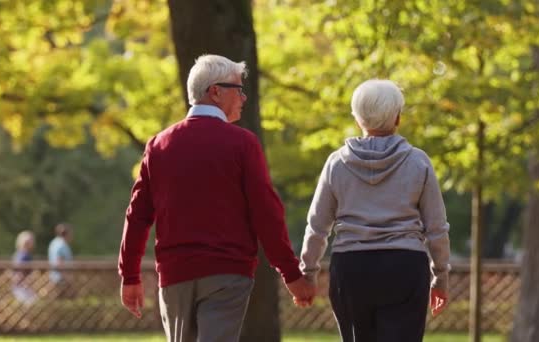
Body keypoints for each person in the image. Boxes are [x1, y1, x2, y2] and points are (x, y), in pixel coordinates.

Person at [118, 54, 316, 342]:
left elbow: (137, 216)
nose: (243, 98)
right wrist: (291, 274)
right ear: (215, 91)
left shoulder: (159, 145)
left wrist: (130, 275)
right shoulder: (242, 144)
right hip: (227, 273)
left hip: (175, 277)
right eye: (238, 89)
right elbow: (266, 212)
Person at [299, 79, 451, 342]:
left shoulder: (337, 163)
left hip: (352, 267)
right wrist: (440, 278)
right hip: (404, 266)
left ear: (358, 119)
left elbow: (317, 226)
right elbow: (436, 227)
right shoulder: (418, 162)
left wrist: (308, 273)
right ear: (397, 118)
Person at [12, 230, 37, 305]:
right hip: (22, 287)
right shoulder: (24, 255)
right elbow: (19, 273)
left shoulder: (18, 254)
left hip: (21, 286)